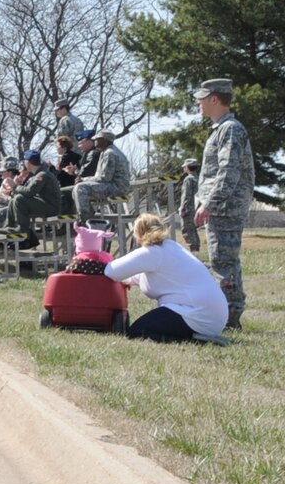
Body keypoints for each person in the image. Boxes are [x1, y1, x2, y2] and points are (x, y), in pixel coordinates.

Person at [104, 213, 228, 343]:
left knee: (137, 332)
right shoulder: (171, 247)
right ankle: (198, 336)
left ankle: (196, 340)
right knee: (143, 329)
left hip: (196, 315)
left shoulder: (151, 252)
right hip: (212, 316)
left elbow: (111, 271)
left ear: (138, 235)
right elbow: (140, 277)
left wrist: (101, 260)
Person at [193, 79, 254, 330]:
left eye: (202, 98)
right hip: (222, 206)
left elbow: (228, 171)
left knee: (224, 262)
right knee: (223, 260)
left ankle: (229, 318)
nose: (198, 103)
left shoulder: (230, 129)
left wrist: (210, 203)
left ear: (214, 99)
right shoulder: (222, 128)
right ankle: (227, 315)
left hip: (225, 208)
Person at [74, 129, 132, 222]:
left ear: (104, 140)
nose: (95, 141)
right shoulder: (106, 151)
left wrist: (84, 180)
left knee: (80, 188)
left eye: (97, 139)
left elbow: (104, 178)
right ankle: (89, 216)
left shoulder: (110, 153)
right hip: (114, 186)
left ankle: (85, 220)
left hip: (116, 188)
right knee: (78, 187)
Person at [11, 150, 63, 247]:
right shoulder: (36, 175)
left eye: (25, 161)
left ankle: (22, 229)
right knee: (14, 200)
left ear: (28, 162)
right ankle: (10, 226)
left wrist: (15, 187)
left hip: (51, 208)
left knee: (19, 199)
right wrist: (17, 188)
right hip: (45, 205)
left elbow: (30, 192)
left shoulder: (42, 175)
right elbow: (26, 191)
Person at [178, 160, 202, 253]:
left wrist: (183, 208)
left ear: (187, 167)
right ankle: (196, 248)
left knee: (187, 230)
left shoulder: (188, 179)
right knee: (193, 230)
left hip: (189, 209)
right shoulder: (198, 178)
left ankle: (193, 250)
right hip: (197, 207)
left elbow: (186, 195)